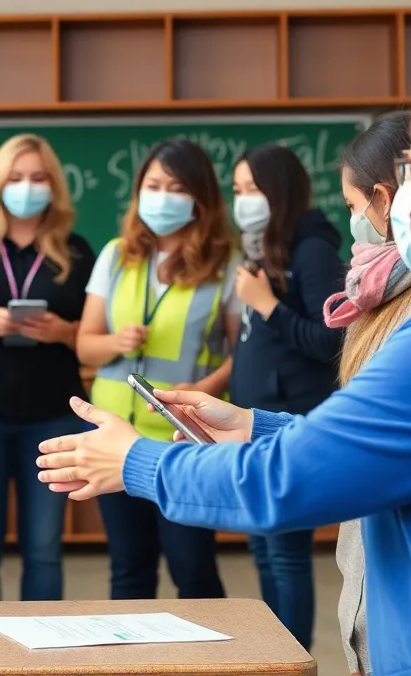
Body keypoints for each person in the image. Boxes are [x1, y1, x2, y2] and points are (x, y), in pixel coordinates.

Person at [37, 55, 411, 676]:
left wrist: (135, 461)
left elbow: (286, 484)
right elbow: (386, 443)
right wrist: (255, 427)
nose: (401, 193)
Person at [76, 138, 238, 601]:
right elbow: (85, 346)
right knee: (129, 567)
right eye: (153, 185)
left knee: (193, 567)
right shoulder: (115, 255)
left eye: (176, 187)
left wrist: (203, 389)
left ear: (200, 198)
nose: (162, 197)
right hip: (116, 435)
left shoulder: (226, 265)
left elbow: (242, 350)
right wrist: (115, 342)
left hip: (184, 435)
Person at [0, 133, 95, 602]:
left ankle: (41, 656)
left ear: (53, 185)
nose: (27, 186)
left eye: (37, 177)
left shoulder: (76, 250)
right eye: (15, 177)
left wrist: (63, 331)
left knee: (45, 547)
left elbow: (92, 333)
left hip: (53, 415)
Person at [324, 111, 411, 676]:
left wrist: (146, 464)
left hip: (409, 606)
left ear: (385, 197)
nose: (352, 223)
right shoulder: (380, 290)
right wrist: (253, 427)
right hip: (371, 583)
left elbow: (367, 446)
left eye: (351, 207)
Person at [226, 143, 343, 649]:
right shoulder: (261, 245)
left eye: (253, 189)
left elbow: (330, 339)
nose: (244, 200)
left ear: (280, 191)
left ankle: (292, 655)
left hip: (288, 419)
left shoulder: (311, 249)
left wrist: (268, 305)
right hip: (250, 420)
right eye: (237, 190)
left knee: (286, 551)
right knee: (262, 547)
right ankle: (275, 649)